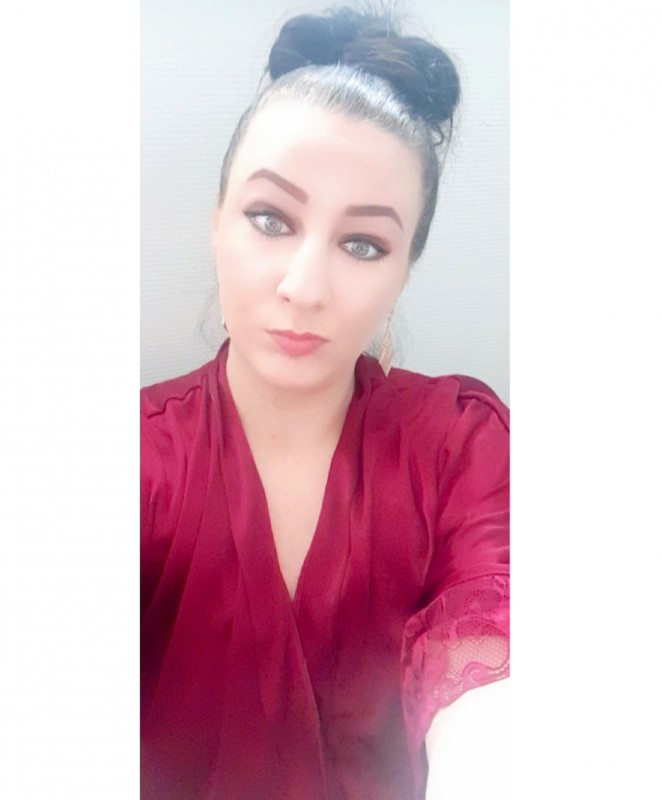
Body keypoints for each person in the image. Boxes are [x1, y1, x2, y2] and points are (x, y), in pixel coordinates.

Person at [140, 5, 509, 799]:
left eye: (363, 244)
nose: (304, 288)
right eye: (270, 219)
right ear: (216, 226)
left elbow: (492, 641)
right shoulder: (132, 457)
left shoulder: (460, 445)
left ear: (403, 270)